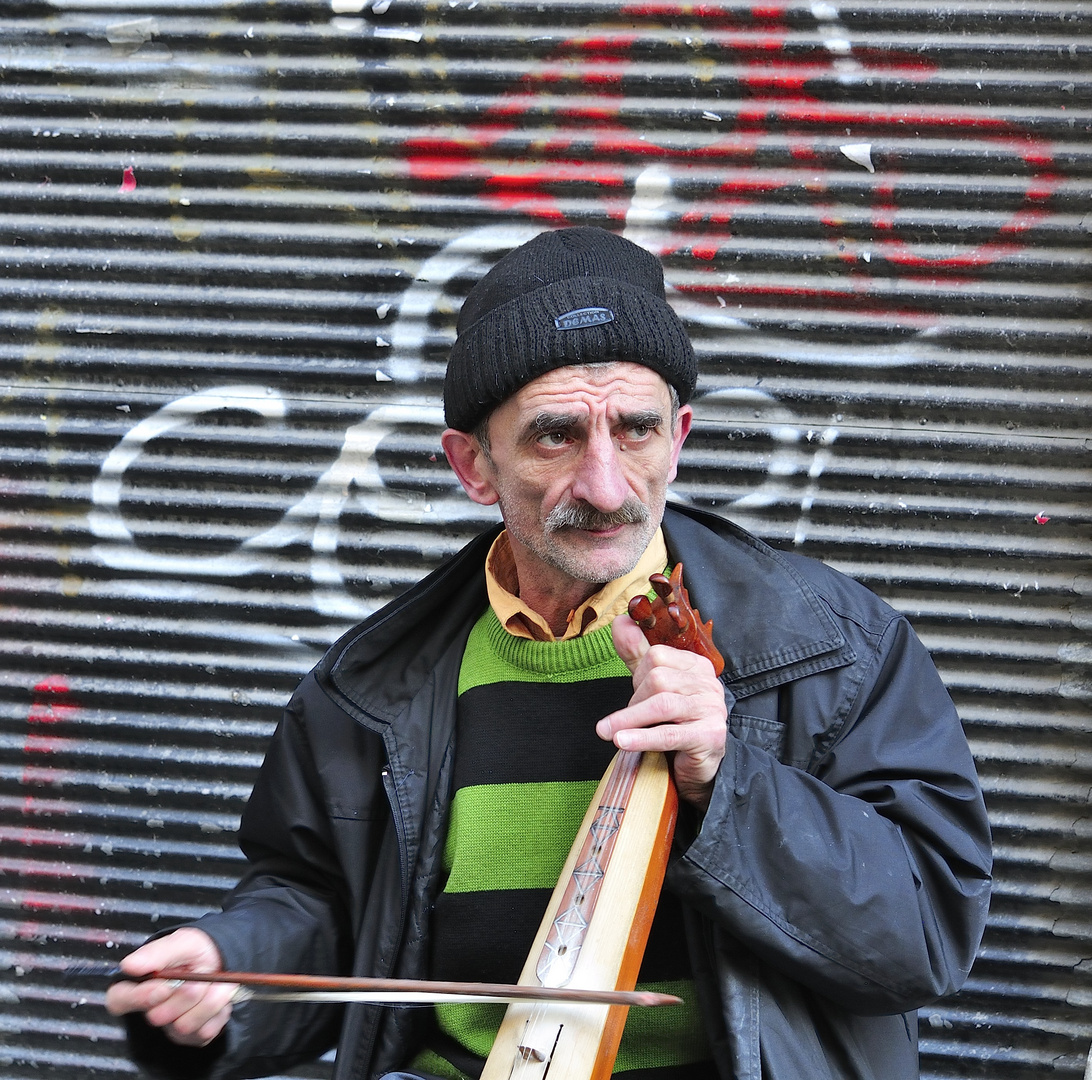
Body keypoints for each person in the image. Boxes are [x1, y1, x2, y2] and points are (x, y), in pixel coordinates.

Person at [106, 227, 992, 1080]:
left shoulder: (830, 647)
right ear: (472, 465)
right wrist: (231, 969)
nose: (605, 487)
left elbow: (923, 934)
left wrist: (727, 781)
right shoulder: (376, 685)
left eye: (636, 430)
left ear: (679, 438)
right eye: (555, 436)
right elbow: (328, 910)